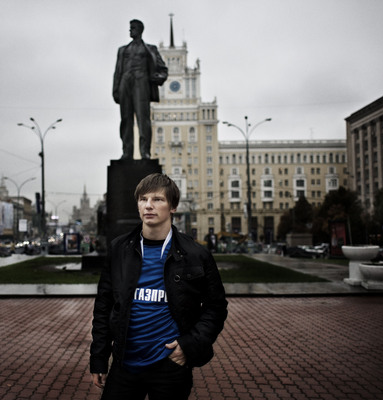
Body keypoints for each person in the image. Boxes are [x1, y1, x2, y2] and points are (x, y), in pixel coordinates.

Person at [90, 173, 228, 399]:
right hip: (125, 364)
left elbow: (216, 307)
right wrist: (98, 358)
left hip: (170, 366)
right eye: (143, 199)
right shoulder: (119, 249)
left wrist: (189, 344)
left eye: (158, 199)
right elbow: (104, 306)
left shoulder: (196, 254)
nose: (149, 206)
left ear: (173, 206)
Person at [113, 19, 168, 160]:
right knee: (126, 119)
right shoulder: (122, 50)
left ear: (140, 30)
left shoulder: (150, 49)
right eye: (130, 28)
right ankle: (127, 152)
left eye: (133, 28)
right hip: (125, 82)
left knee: (143, 119)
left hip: (141, 82)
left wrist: (158, 77)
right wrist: (115, 89)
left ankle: (145, 152)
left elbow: (162, 69)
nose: (130, 30)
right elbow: (117, 71)